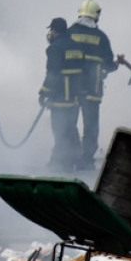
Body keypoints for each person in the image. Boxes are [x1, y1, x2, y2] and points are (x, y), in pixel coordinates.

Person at [55, 0, 118, 171]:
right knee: (90, 126)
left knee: (69, 122)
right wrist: (116, 65)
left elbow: (57, 54)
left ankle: (69, 155)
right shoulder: (101, 37)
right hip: (93, 89)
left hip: (71, 89)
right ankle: (86, 159)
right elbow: (108, 65)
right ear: (96, 15)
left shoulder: (69, 33)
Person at [38, 17, 77, 171]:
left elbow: (52, 74)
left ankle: (61, 163)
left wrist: (43, 92)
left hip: (60, 97)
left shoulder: (54, 48)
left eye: (51, 30)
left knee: (59, 130)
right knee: (70, 128)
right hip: (74, 97)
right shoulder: (76, 46)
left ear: (54, 31)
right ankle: (72, 159)